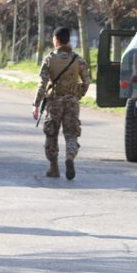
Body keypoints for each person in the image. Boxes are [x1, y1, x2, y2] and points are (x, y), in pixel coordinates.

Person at [32, 27, 90, 180]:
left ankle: (54, 168)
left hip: (54, 102)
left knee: (51, 135)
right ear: (68, 40)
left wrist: (36, 104)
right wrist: (78, 94)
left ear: (56, 40)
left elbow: (42, 84)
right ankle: (69, 157)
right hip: (72, 102)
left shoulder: (49, 59)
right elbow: (87, 81)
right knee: (71, 135)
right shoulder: (78, 60)